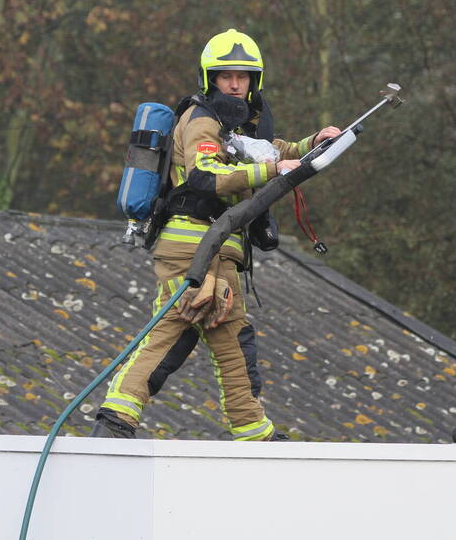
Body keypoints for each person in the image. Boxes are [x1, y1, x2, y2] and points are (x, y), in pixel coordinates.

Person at [91, 28, 340, 441]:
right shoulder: (203, 119)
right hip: (194, 249)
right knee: (177, 332)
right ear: (211, 79)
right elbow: (205, 175)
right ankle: (116, 421)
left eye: (243, 76)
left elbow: (272, 150)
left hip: (215, 251)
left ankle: (250, 430)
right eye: (227, 76)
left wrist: (315, 142)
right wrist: (270, 171)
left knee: (229, 339)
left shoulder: (234, 127)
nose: (236, 84)